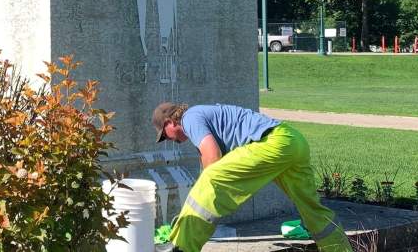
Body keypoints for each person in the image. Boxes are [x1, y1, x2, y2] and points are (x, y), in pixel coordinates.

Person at [151, 102, 353, 252]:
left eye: (165, 135)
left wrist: (205, 192)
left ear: (170, 122)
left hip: (272, 143)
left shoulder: (189, 119)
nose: (169, 140)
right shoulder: (204, 115)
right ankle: (339, 249)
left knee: (210, 179)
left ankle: (181, 247)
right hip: (292, 140)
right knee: (312, 209)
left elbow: (212, 159)